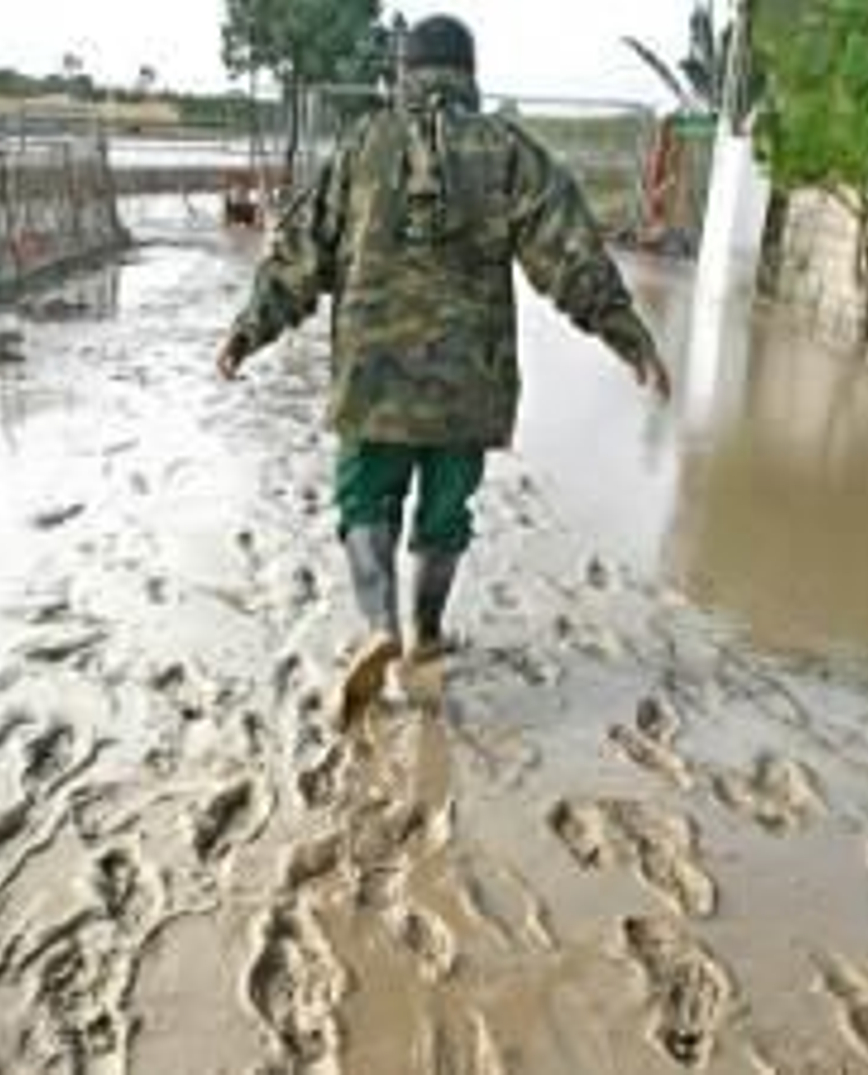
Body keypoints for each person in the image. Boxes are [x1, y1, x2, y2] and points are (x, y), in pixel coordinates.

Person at [217, 14, 671, 715]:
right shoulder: (505, 150)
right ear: (469, 75)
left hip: (373, 382)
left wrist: (249, 331)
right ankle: (427, 635)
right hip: (468, 385)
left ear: (403, 73)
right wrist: (627, 335)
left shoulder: (362, 146)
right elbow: (568, 252)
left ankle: (379, 627)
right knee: (444, 513)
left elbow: (300, 252)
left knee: (364, 502)